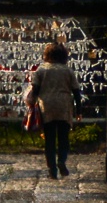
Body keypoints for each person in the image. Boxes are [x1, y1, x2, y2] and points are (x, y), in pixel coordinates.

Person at [28, 41, 78, 180]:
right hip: (64, 106)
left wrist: (31, 103)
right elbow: (76, 91)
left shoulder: (41, 70)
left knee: (49, 140)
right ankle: (61, 160)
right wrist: (79, 111)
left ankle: (52, 170)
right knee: (64, 138)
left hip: (47, 107)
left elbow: (35, 89)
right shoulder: (67, 70)